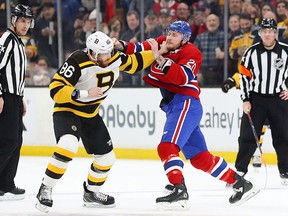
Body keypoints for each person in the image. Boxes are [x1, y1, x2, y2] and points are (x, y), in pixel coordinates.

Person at [115, 20, 259, 209]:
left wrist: (159, 57)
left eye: (175, 34)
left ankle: (178, 188)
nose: (170, 36)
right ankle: (240, 183)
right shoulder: (163, 42)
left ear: (185, 38)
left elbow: (182, 77)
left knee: (166, 147)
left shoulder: (192, 52)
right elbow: (139, 48)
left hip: (185, 103)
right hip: (175, 105)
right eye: (169, 32)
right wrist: (121, 45)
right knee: (200, 158)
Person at [35, 31, 155, 213]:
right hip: (67, 110)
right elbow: (55, 89)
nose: (108, 57)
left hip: (90, 114)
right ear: (91, 52)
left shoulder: (114, 57)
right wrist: (84, 94)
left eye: (109, 52)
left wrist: (158, 51)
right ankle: (45, 188)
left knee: (107, 158)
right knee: (68, 145)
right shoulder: (77, 60)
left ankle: (91, 192)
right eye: (103, 54)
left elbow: (136, 63)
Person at [235, 18, 288, 185]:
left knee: (283, 137)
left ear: (275, 33)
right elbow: (243, 77)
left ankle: (285, 171)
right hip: (256, 99)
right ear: (260, 33)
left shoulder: (286, 51)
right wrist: (245, 99)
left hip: (279, 99)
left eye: (271, 31)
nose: (268, 34)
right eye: (264, 31)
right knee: (247, 136)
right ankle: (240, 170)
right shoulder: (251, 52)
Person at [0, 4, 34, 200]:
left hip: (15, 98)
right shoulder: (7, 39)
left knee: (16, 141)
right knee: (7, 141)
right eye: (22, 20)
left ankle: (7, 183)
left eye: (28, 21)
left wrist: (20, 98)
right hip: (6, 97)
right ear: (13, 20)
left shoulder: (19, 42)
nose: (26, 25)